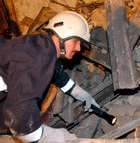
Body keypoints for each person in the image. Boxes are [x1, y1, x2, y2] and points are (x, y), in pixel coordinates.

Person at [0, 11, 100, 142]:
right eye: (76, 41)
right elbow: (18, 115)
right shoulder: (37, 57)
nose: (79, 48)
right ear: (62, 35)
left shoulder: (42, 47)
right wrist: (44, 136)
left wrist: (79, 93)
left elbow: (55, 72)